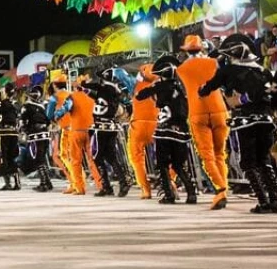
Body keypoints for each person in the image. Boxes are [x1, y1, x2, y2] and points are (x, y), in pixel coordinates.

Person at [199, 35, 277, 214]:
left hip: (246, 121)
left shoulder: (228, 70)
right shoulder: (263, 70)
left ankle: (262, 201)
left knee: (248, 161)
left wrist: (240, 100)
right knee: (264, 160)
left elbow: (208, 87)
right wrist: (267, 108)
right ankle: (274, 199)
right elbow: (276, 94)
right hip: (265, 120)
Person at [176, 35, 230, 210]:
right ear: (202, 48)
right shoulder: (214, 63)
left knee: (207, 155)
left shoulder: (181, 69)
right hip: (219, 109)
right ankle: (224, 190)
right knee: (220, 153)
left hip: (197, 111)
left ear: (185, 50)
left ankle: (220, 188)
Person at [136, 56, 197, 205]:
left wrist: (155, 86)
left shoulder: (161, 86)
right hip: (182, 131)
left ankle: (168, 195)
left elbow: (139, 96)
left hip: (165, 130)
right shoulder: (180, 88)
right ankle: (191, 193)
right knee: (178, 164)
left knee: (162, 164)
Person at [81, 69, 132, 197]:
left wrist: (83, 84)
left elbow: (91, 87)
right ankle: (123, 182)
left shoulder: (104, 88)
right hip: (111, 127)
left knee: (97, 157)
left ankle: (107, 186)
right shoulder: (115, 91)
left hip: (101, 127)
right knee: (111, 156)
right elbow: (96, 95)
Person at [128, 62, 160, 199]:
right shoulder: (160, 86)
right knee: (167, 158)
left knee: (137, 159)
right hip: (157, 124)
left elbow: (118, 74)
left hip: (138, 125)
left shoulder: (135, 86)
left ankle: (145, 189)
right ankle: (169, 182)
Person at [19, 85, 53, 192]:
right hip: (45, 135)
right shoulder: (43, 106)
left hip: (35, 135)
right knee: (42, 158)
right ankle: (47, 182)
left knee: (38, 159)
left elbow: (22, 121)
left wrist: (24, 131)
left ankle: (44, 183)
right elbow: (48, 121)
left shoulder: (27, 106)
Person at [0, 87, 20, 191]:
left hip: (3, 132)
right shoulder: (15, 104)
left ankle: (7, 183)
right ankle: (17, 182)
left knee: (3, 157)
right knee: (12, 157)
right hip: (14, 133)